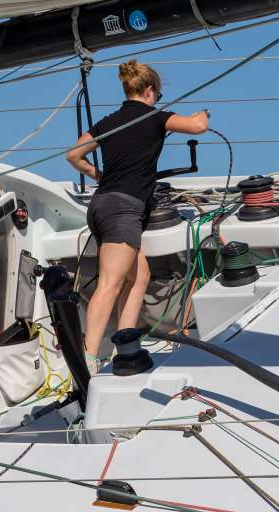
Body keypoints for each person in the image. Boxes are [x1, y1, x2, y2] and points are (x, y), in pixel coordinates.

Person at [66, 59, 209, 372]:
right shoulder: (155, 117)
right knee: (111, 283)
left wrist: (96, 173)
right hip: (123, 209)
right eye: (157, 95)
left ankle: (125, 348)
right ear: (149, 91)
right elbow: (198, 126)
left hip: (102, 206)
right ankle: (87, 360)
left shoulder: (110, 121)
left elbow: (73, 155)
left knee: (139, 277)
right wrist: (204, 114)